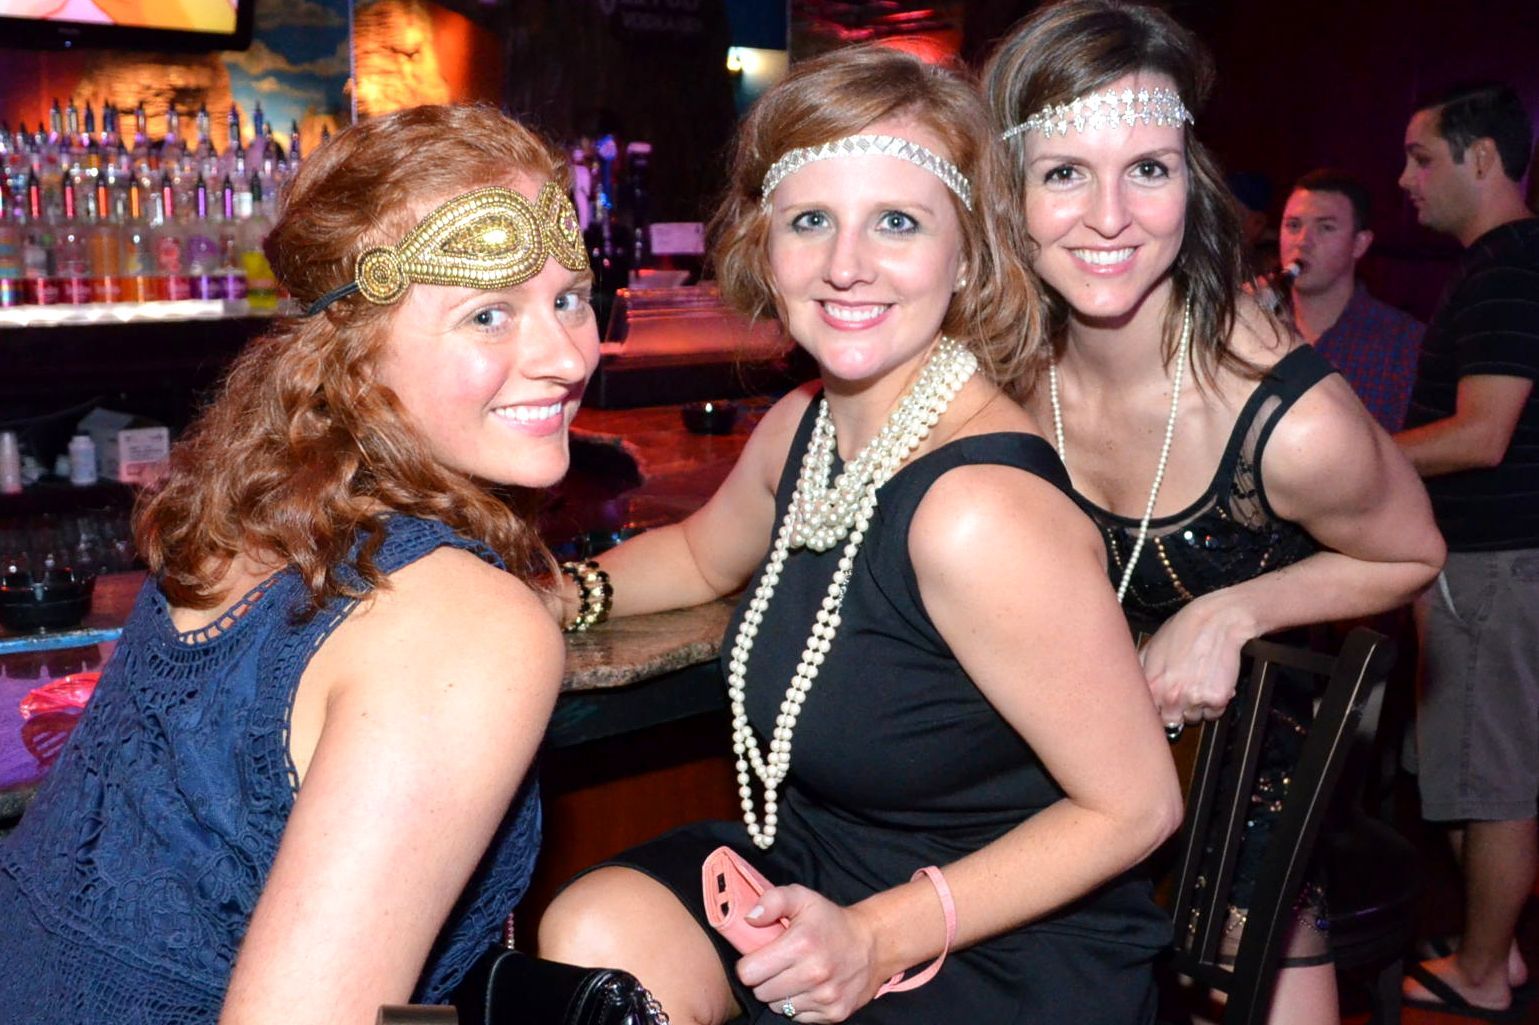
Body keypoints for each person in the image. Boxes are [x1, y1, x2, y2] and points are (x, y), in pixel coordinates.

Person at [539, 45, 1183, 1025]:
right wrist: (565, 592)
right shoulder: (806, 423)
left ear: (968, 253)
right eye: (810, 220)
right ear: (765, 245)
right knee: (594, 933)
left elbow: (1137, 807)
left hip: (998, 940)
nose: (846, 265)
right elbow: (704, 553)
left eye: (897, 221)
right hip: (820, 865)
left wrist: (876, 935)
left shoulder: (977, 511)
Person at [0, 104, 599, 1024]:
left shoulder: (251, 519)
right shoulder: (468, 628)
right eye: (488, 314)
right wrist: (505, 616)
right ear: (354, 355)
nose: (566, 355)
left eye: (570, 297)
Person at [981, 3, 1445, 1024]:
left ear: (1188, 182)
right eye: (1065, 172)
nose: (1110, 216)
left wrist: (1228, 611)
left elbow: (1413, 551)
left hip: (1228, 803)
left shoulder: (1287, 418)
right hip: (1035, 777)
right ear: (1008, 190)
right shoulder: (998, 364)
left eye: (1147, 168)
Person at [1394, 81, 1539, 1021]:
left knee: (1492, 782)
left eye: (1420, 158)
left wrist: (1358, 461)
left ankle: (1483, 972)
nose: (1404, 179)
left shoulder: (1506, 268)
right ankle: (1496, 950)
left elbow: (1482, 435)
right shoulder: (1503, 264)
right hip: (1486, 563)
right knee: (1464, 768)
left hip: (1495, 562)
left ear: (1480, 157)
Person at [1279, 169, 1424, 432]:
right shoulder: (1257, 327)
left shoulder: (1402, 341)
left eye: (1325, 228)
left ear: (1359, 244)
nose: (1303, 241)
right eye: (1293, 226)